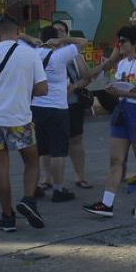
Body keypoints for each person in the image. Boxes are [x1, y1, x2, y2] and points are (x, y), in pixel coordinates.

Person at [0, 17, 49, 233]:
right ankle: (28, 200)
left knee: (1, 168)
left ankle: (7, 218)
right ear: (19, 32)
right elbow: (43, 90)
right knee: (32, 162)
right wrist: (22, 91)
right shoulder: (30, 54)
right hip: (20, 120)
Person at [82, 26, 136, 218]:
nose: (119, 45)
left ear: (135, 44)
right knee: (116, 160)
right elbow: (124, 89)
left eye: (123, 41)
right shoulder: (122, 64)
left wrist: (122, 92)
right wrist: (113, 90)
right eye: (119, 41)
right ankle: (106, 204)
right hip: (122, 111)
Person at [30, 26, 86, 204]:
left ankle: (35, 186)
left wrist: (31, 40)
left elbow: (16, 39)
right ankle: (58, 189)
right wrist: (64, 41)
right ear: (54, 40)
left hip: (36, 107)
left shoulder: (32, 53)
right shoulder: (60, 55)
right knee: (58, 152)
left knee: (40, 150)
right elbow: (83, 42)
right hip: (57, 108)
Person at [52, 21, 95, 190]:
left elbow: (87, 77)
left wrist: (74, 87)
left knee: (75, 140)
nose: (59, 34)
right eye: (55, 31)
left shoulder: (72, 53)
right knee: (48, 143)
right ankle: (46, 179)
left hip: (72, 102)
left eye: (62, 31)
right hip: (51, 105)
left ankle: (80, 176)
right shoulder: (42, 52)